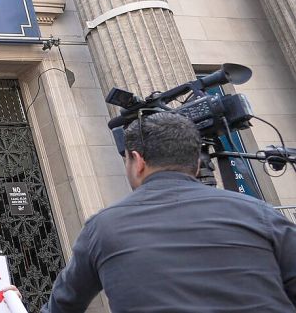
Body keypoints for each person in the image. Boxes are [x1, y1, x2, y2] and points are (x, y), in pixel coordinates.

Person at [43, 112, 296, 312]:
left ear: (137, 160)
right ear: (197, 163)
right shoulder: (260, 213)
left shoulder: (101, 228)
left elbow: (63, 306)